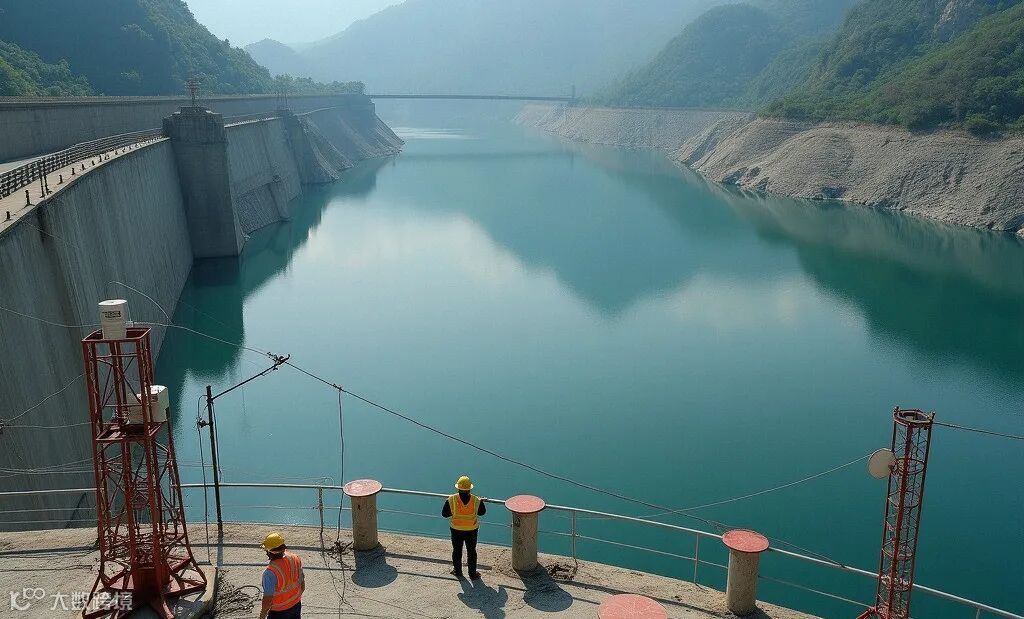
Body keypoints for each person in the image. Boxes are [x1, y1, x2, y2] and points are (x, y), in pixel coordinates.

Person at [442, 475, 486, 579]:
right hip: (471, 530)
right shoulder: (476, 500)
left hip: (456, 529)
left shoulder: (451, 499)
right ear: (469, 489)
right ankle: (472, 574)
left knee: (457, 550)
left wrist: (450, 505)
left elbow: (445, 514)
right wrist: (481, 502)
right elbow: (482, 512)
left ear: (458, 488)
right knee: (471, 551)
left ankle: (458, 571)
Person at [258, 532, 305, 619]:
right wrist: (295, 599)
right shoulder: (295, 558)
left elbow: (267, 600)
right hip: (296, 605)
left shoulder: (270, 573)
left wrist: (262, 616)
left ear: (270, 552)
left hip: (279, 612)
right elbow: (302, 583)